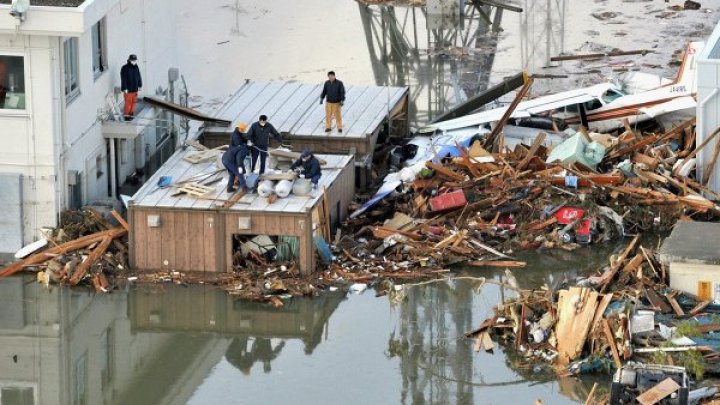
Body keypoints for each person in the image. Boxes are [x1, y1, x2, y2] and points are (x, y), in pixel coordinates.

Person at [222, 123, 249, 193]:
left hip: (224, 158)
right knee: (239, 173)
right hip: (229, 160)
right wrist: (240, 167)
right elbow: (239, 159)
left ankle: (229, 188)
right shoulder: (243, 149)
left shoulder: (239, 145)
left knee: (232, 173)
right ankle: (244, 188)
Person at [120, 54, 142, 121]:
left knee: (134, 102)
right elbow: (123, 78)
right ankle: (127, 116)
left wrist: (140, 85)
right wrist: (124, 88)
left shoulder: (136, 67)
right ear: (129, 60)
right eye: (133, 60)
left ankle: (131, 114)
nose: (134, 61)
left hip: (135, 89)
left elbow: (138, 76)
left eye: (135, 60)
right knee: (128, 103)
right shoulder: (125, 68)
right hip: (128, 90)